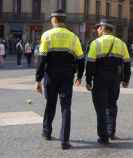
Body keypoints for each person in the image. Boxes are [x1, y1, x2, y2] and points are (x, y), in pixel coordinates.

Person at [35, 9, 85, 150]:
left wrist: (38, 80)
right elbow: (81, 59)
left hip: (50, 76)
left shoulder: (47, 35)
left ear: (53, 19)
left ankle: (47, 132)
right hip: (67, 76)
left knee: (50, 104)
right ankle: (65, 140)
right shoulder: (73, 37)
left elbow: (42, 59)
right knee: (66, 107)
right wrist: (80, 76)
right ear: (64, 20)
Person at [86, 19, 131, 145]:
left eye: (98, 27)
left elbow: (90, 63)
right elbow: (127, 62)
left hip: (100, 80)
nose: (97, 30)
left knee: (100, 108)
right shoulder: (121, 44)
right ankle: (111, 131)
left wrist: (88, 81)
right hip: (115, 80)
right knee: (112, 105)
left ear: (104, 28)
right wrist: (126, 79)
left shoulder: (95, 43)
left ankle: (103, 136)